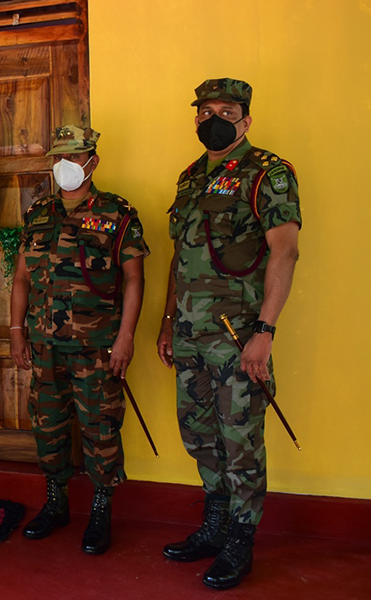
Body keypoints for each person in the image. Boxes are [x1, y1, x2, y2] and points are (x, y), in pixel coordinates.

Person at [156, 78, 301, 590]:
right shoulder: (191, 177)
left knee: (241, 439)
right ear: (196, 118)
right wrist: (169, 321)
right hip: (193, 333)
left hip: (238, 335)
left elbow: (284, 251)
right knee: (199, 435)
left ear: (246, 119)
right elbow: (181, 256)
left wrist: (266, 331)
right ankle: (215, 523)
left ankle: (242, 536)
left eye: (226, 110)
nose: (213, 117)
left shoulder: (268, 173)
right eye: (205, 110)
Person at [9, 126, 148, 554]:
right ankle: (56, 504)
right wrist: (16, 331)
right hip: (45, 346)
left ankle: (101, 511)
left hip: (96, 348)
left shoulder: (116, 212)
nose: (64, 165)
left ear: (93, 161)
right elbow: (20, 278)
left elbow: (134, 278)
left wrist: (126, 338)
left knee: (100, 429)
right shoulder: (38, 213)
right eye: (58, 157)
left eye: (75, 155)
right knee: (48, 429)